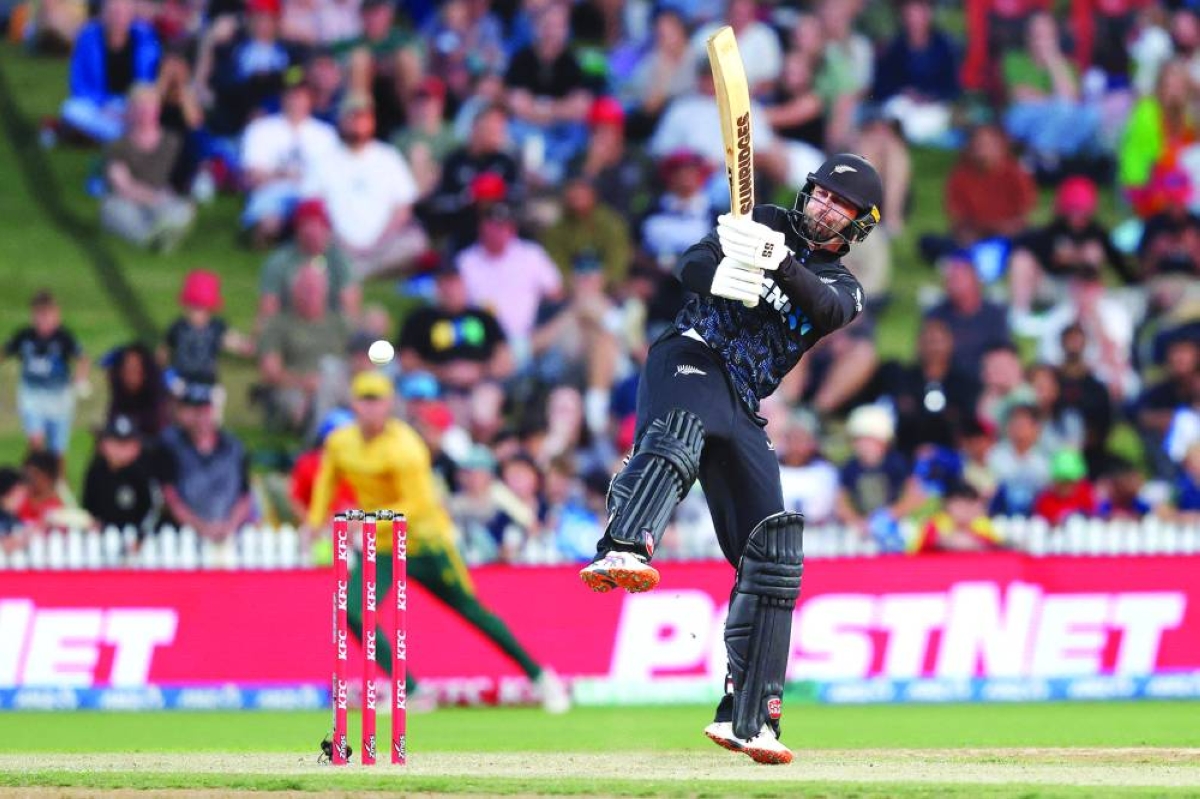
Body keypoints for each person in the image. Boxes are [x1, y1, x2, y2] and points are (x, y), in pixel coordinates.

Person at [578, 153, 884, 764]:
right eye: (819, 194)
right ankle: (626, 542)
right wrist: (723, 271)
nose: (823, 208)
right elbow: (688, 265)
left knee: (772, 551)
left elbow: (821, 310)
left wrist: (776, 262)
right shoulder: (762, 218)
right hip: (690, 353)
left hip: (743, 400)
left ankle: (750, 714)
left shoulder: (845, 288)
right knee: (681, 430)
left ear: (857, 226)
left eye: (838, 206)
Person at [306, 371, 570, 714]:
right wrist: (313, 522)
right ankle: (412, 692)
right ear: (354, 403)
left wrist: (366, 520)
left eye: (377, 400)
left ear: (388, 404)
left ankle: (541, 677)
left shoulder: (405, 447)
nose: (370, 408)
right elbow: (327, 480)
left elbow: (417, 506)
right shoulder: (340, 443)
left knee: (473, 612)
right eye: (364, 400)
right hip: (385, 546)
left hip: (426, 542)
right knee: (352, 611)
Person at [4, 290, 90, 459]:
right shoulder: (24, 336)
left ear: (56, 315)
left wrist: (80, 378)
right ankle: (30, 476)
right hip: (32, 394)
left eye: (48, 314)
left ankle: (58, 481)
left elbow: (83, 358)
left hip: (59, 396)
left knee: (57, 449)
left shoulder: (64, 337)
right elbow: (5, 352)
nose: (43, 319)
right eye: (39, 314)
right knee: (36, 441)